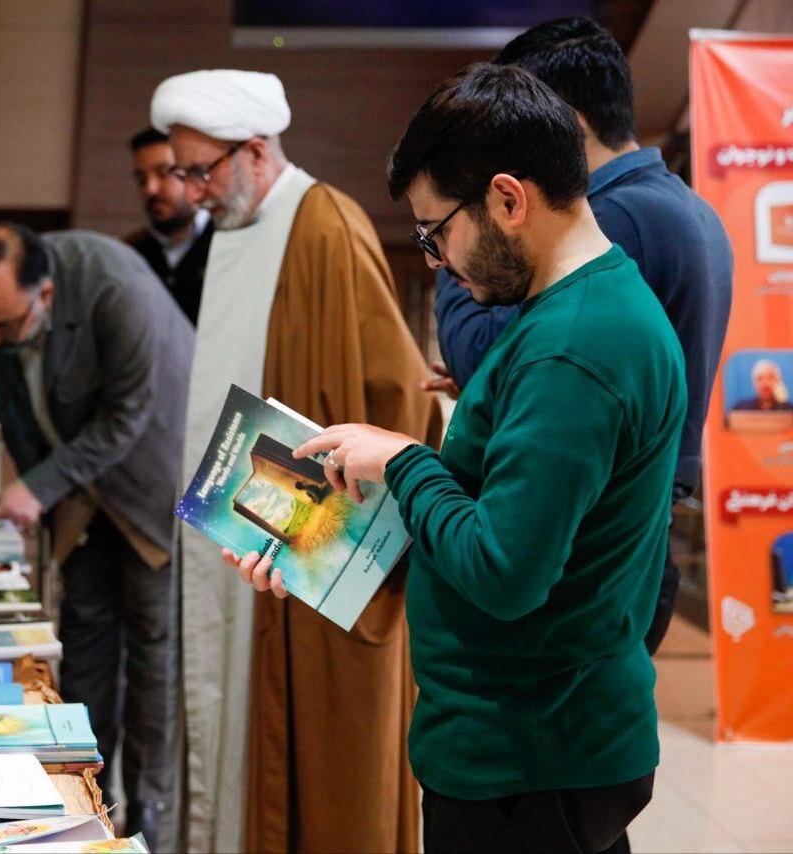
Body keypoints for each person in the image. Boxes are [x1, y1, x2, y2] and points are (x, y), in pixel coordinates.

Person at [234, 62, 686, 854]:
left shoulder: (575, 346)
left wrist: (405, 461)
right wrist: (333, 543)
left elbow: (506, 572)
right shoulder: (573, 315)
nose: (436, 259)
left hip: (529, 759)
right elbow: (504, 521)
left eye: (435, 231)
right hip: (526, 744)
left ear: (508, 200)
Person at [150, 69, 442, 853]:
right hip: (248, 543)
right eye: (182, 173)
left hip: (311, 558)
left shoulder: (324, 228)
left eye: (200, 172)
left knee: (315, 762)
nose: (192, 193)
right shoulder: (240, 228)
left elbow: (396, 404)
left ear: (254, 151)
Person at [424, 17, 733, 654]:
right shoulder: (688, 207)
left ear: (561, 119)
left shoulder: (614, 217)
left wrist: (456, 249)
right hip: (632, 520)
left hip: (589, 545)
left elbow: (481, 352)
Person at [0, 223, 192, 850]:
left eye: (4, 327)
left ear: (45, 294)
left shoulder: (114, 285)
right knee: (83, 644)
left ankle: (150, 819)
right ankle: (84, 812)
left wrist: (36, 487)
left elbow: (127, 413)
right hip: (76, 501)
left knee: (154, 656)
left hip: (150, 483)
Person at [124, 127, 214, 324]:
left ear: (193, 174)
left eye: (164, 173)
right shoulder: (130, 253)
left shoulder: (225, 242)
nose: (150, 189)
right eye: (141, 179)